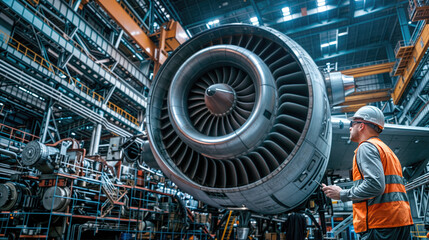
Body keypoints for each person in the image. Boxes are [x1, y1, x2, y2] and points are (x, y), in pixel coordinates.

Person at [322, 106, 413, 240]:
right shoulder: (386, 150)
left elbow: (375, 185)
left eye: (352, 124)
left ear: (361, 126)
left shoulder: (366, 147)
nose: (350, 128)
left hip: (380, 224)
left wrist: (342, 194)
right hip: (399, 220)